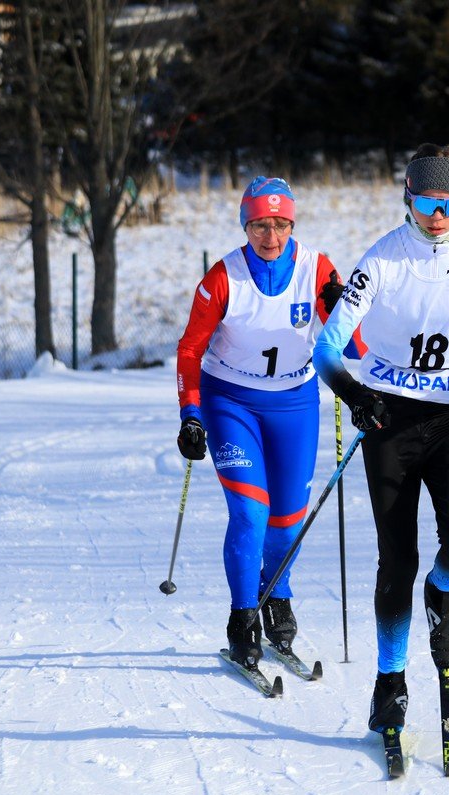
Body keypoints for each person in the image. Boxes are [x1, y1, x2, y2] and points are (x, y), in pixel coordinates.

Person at [312, 143, 449, 735]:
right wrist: (355, 396)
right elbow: (327, 348)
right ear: (407, 197)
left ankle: (442, 591)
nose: (438, 215)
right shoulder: (383, 259)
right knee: (397, 558)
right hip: (388, 417)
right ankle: (390, 681)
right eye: (427, 201)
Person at [174, 176, 349, 671]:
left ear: (292, 224)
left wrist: (341, 308)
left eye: (280, 225)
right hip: (231, 401)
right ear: (244, 226)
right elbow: (190, 349)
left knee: (289, 519)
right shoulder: (222, 278)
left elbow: (354, 347)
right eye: (259, 227)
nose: (271, 237)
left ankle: (277, 595)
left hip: (294, 403)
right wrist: (191, 414)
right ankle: (243, 616)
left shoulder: (317, 269)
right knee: (251, 512)